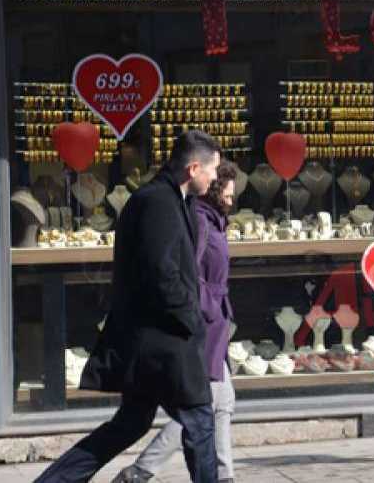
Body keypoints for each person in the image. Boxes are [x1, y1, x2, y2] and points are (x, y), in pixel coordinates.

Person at [35, 130, 222, 483]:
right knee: (199, 420)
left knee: (131, 423)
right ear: (193, 167)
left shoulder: (177, 200)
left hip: (155, 342)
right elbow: (161, 274)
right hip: (163, 342)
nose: (215, 178)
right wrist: (192, 318)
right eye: (212, 169)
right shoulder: (157, 202)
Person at [113, 161, 238, 483]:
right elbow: (187, 273)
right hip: (202, 322)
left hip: (215, 320)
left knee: (219, 401)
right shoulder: (199, 221)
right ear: (214, 189)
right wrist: (205, 309)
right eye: (228, 191)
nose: (232, 197)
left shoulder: (215, 220)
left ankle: (222, 475)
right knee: (201, 406)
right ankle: (142, 471)